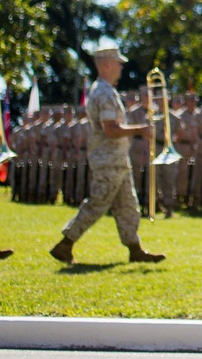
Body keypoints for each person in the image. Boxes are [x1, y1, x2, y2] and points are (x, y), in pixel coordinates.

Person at [49, 45, 166, 265]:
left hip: (117, 159)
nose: (121, 67)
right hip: (108, 160)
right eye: (118, 63)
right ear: (106, 65)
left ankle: (135, 249)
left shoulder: (107, 90)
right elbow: (110, 129)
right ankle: (65, 243)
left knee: (128, 206)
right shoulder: (103, 93)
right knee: (97, 204)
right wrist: (140, 130)